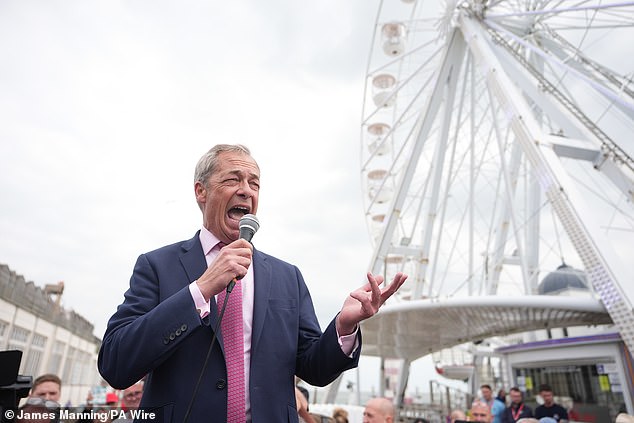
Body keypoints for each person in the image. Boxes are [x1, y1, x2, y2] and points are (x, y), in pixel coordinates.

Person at [98, 144, 408, 423]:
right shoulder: (157, 266)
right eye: (233, 179)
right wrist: (200, 290)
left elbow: (315, 369)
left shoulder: (288, 277)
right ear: (200, 191)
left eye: (254, 183)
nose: (246, 190)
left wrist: (343, 326)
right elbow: (116, 363)